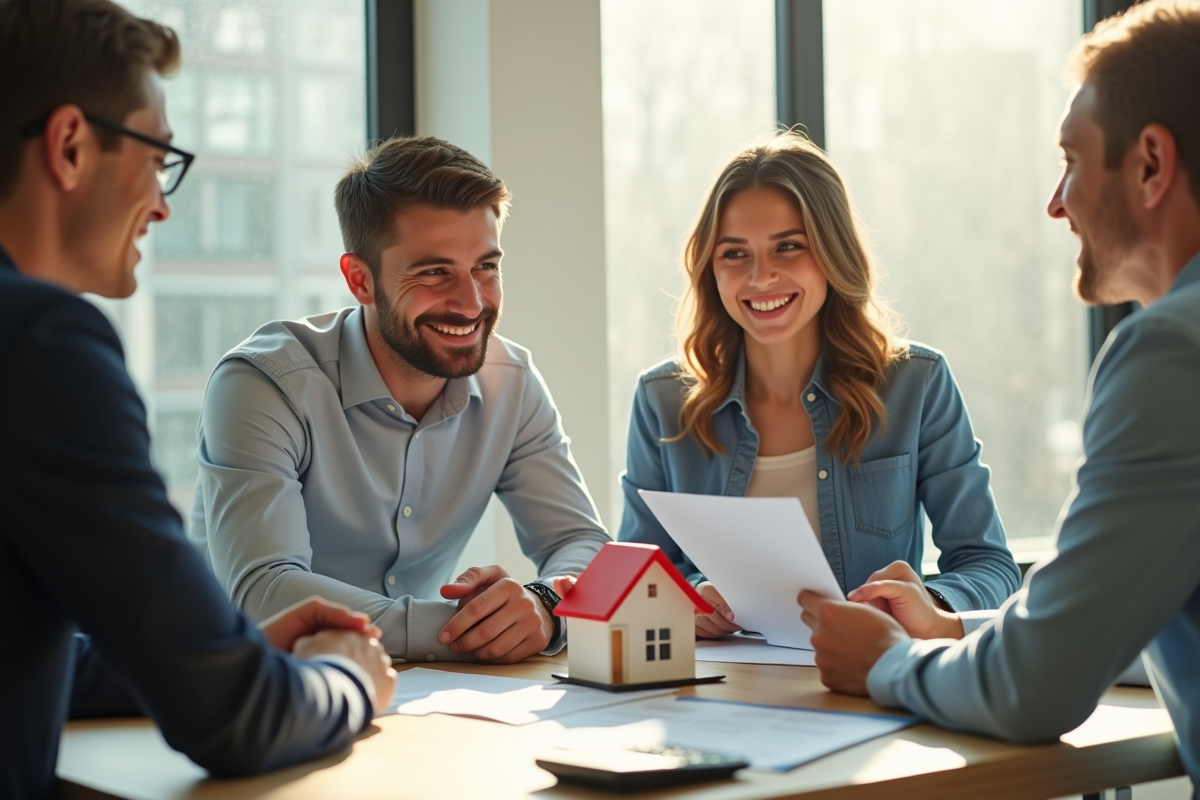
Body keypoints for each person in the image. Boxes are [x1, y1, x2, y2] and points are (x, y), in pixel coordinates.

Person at [797, 0, 1200, 789]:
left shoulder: (1170, 353)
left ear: (1151, 164)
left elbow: (1035, 689)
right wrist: (955, 630)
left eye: (1072, 162)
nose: (1057, 202)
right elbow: (1113, 618)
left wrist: (889, 663)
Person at [0, 1, 396, 798]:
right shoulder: (40, 343)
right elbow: (233, 717)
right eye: (156, 155)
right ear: (70, 145)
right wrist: (347, 678)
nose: (163, 202)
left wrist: (230, 644)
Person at [189, 136, 608, 665]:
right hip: (241, 688)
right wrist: (470, 629)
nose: (472, 303)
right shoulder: (265, 384)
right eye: (434, 272)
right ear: (360, 280)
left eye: (486, 267)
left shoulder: (513, 383)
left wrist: (546, 605)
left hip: (417, 699)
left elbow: (582, 543)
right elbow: (265, 593)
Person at [617, 133, 1021, 638]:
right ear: (710, 268)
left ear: (832, 252)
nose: (761, 277)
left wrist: (930, 603)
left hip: (868, 686)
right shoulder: (663, 401)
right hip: (721, 694)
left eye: (789, 247)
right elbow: (635, 577)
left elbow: (991, 566)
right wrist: (691, 596)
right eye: (735, 253)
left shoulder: (917, 385)